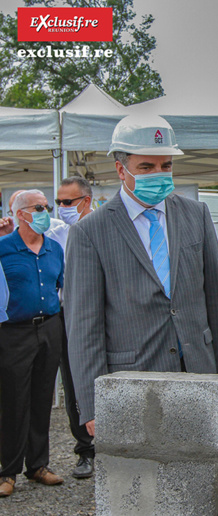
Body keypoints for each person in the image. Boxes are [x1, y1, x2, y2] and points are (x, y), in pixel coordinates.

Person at [64, 114, 218, 437]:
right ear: (120, 169)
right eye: (146, 167)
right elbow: (84, 326)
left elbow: (217, 301)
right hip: (132, 383)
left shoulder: (196, 214)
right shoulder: (90, 232)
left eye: (166, 166)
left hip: (199, 374)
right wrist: (92, 403)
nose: (159, 175)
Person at [0, 190, 65, 497]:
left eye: (46, 207)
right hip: (15, 332)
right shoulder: (3, 248)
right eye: (39, 207)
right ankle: (7, 471)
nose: (45, 211)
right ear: (20, 213)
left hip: (49, 327)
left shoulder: (54, 248)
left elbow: (60, 284)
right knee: (14, 401)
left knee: (42, 398)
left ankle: (38, 465)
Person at [53, 176, 98, 479]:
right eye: (58, 202)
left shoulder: (104, 227)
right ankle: (85, 450)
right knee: (74, 384)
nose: (61, 208)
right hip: (67, 314)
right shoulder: (55, 232)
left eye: (67, 202)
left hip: (101, 312)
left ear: (86, 201)